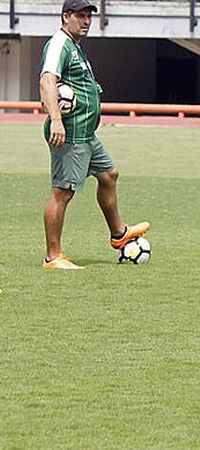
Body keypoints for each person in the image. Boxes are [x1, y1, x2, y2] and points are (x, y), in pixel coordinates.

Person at [39, 0, 149, 269]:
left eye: (89, 16)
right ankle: (53, 257)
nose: (86, 21)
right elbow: (47, 80)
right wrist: (56, 120)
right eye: (80, 16)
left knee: (109, 174)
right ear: (65, 16)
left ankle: (119, 233)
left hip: (86, 133)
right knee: (62, 192)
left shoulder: (75, 46)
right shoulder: (59, 44)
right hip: (70, 133)